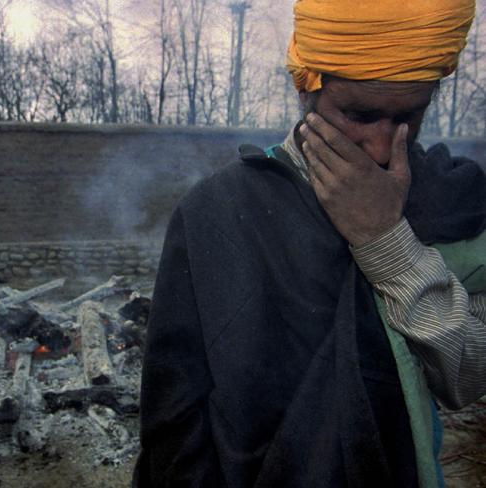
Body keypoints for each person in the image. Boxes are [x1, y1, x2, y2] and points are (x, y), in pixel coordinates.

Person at [132, 0, 486, 487]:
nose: (382, 147)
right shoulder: (218, 212)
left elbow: (466, 378)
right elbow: (174, 424)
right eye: (359, 115)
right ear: (307, 90)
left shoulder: (449, 205)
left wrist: (387, 244)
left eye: (408, 116)